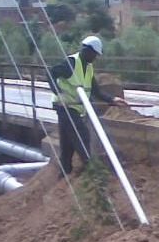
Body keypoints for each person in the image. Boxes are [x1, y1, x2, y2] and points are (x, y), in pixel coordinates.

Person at [48, 35, 128, 175]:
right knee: (82, 133)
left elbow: (95, 90)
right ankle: (90, 168)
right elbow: (51, 73)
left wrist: (112, 100)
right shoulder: (71, 62)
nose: (95, 57)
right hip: (65, 106)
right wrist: (57, 90)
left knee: (67, 145)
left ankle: (65, 173)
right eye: (95, 54)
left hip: (75, 108)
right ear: (88, 50)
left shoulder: (89, 68)